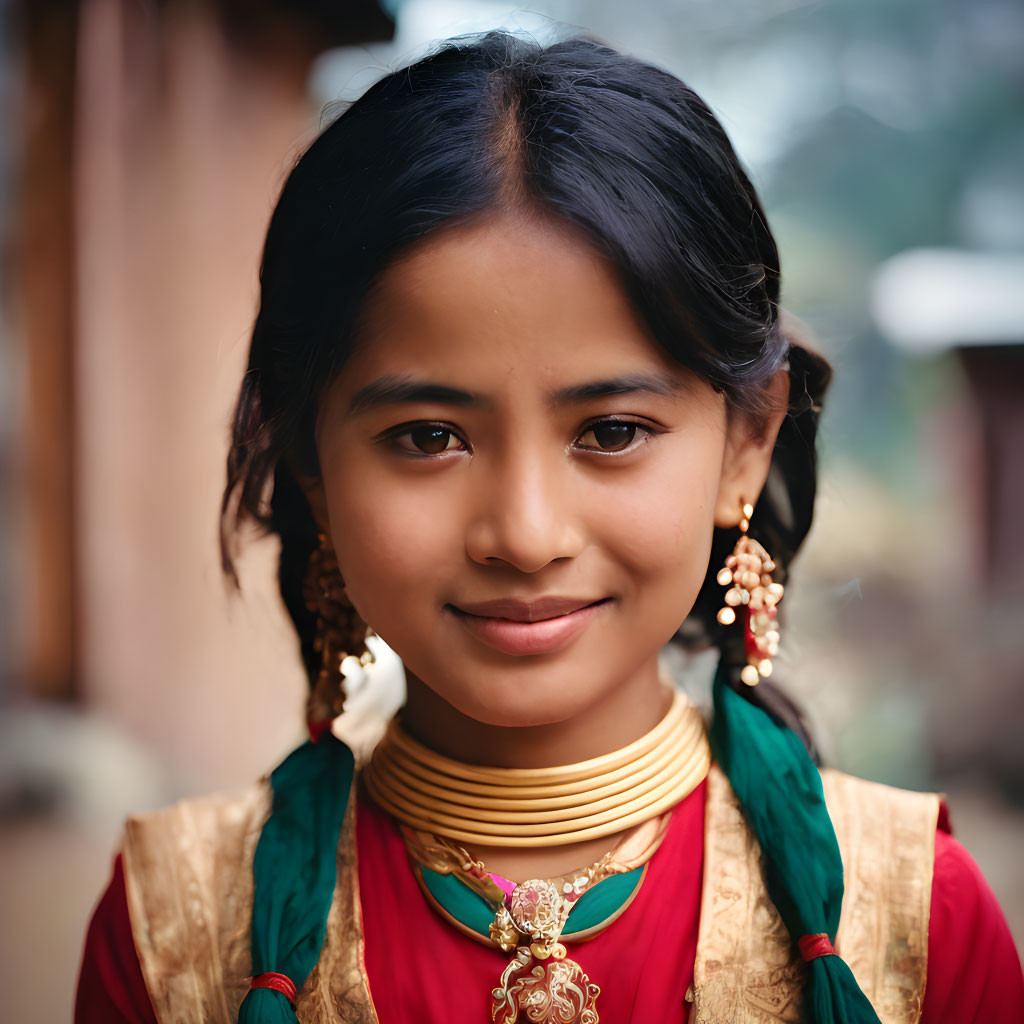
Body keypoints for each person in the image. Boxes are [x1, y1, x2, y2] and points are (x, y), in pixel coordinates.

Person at [75, 31, 1023, 1024]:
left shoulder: (916, 918)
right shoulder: (172, 933)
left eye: (611, 431)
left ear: (747, 441)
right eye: (427, 435)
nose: (525, 535)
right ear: (311, 461)